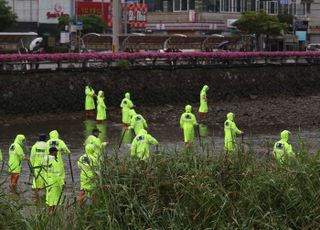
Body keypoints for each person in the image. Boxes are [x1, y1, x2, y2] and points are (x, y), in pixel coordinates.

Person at [43, 147, 64, 212]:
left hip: (47, 181)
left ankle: (50, 213)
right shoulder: (55, 161)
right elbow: (57, 174)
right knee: (54, 199)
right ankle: (51, 214)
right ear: (53, 152)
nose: (57, 153)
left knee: (49, 198)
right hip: (54, 182)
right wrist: (62, 183)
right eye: (56, 152)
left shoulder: (45, 159)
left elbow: (43, 171)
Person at [30, 134, 47, 203]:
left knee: (36, 185)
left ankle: (36, 200)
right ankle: (46, 199)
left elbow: (32, 158)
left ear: (39, 138)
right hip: (46, 168)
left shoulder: (35, 146)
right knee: (46, 184)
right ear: (45, 139)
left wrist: (32, 167)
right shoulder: (47, 146)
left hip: (36, 168)